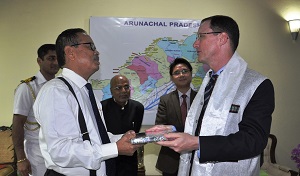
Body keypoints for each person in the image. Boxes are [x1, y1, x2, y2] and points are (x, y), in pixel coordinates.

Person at [146, 15, 275, 176]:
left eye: (201, 36)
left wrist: (196, 143)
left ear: (222, 38)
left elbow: (253, 141)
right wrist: (172, 129)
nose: (195, 43)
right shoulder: (209, 81)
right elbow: (205, 126)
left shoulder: (257, 85)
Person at [33, 28, 141, 176]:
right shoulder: (56, 91)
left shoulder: (85, 91)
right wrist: (115, 148)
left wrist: (127, 139)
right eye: (90, 46)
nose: (96, 52)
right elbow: (61, 150)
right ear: (70, 52)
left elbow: (93, 139)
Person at [12, 44, 59, 176]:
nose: (55, 62)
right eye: (51, 58)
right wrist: (21, 158)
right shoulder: (27, 88)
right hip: (36, 152)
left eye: (57, 58)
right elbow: (17, 124)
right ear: (39, 61)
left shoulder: (60, 86)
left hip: (58, 151)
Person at [155, 58, 197, 176]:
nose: (181, 75)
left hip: (196, 158)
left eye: (185, 71)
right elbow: (160, 128)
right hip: (171, 159)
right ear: (172, 77)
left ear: (191, 73)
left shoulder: (201, 98)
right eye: (177, 73)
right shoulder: (165, 100)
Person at [101, 74, 144, 176]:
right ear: (111, 91)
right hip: (109, 158)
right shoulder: (102, 107)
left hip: (129, 159)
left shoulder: (138, 107)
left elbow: (135, 132)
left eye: (126, 87)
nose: (123, 91)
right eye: (118, 88)